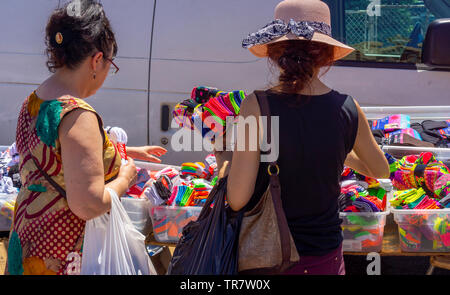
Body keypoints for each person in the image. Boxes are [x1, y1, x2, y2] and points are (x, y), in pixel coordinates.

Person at [214, 0, 390, 275]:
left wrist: (224, 158)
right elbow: (381, 169)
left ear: (274, 54)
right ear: (327, 56)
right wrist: (337, 149)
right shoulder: (348, 107)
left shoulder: (255, 106)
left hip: (270, 259)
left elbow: (237, 199)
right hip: (327, 259)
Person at [7, 0, 165, 275]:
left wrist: (125, 150)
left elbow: (60, 156)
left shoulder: (34, 101)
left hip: (28, 236)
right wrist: (124, 179)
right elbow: (88, 204)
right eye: (109, 64)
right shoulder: (77, 114)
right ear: (96, 60)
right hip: (61, 251)